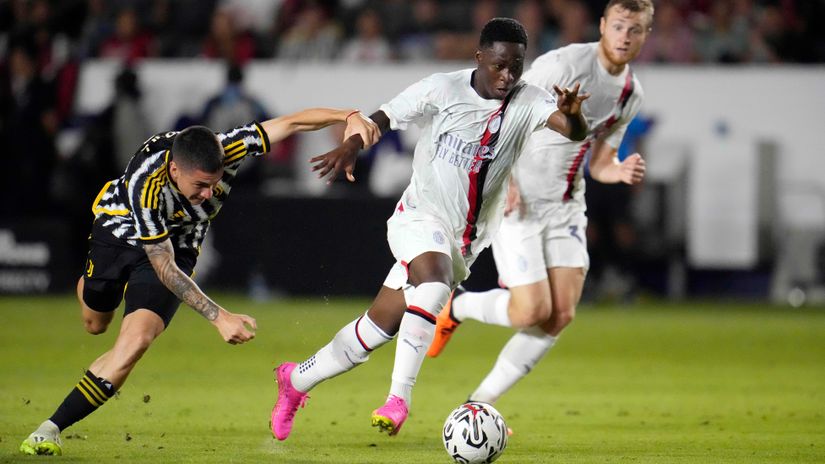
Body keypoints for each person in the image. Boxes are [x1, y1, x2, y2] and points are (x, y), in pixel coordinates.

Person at [270, 17, 589, 441]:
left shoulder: (530, 100)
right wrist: (351, 145)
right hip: (419, 216)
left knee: (376, 329)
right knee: (435, 286)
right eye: (498, 65)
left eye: (515, 65)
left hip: (466, 240)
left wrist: (574, 114)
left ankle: (295, 380)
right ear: (479, 58)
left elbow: (572, 131)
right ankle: (398, 399)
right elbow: (381, 119)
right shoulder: (442, 89)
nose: (507, 75)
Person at [19, 107, 380, 456]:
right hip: (119, 235)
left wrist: (345, 115)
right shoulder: (145, 184)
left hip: (177, 246)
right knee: (95, 324)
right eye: (201, 185)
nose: (209, 193)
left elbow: (291, 122)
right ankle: (92, 285)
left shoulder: (230, 146)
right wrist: (219, 316)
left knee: (136, 341)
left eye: (215, 183)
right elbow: (161, 265)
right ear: (174, 170)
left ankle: (48, 428)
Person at [426, 0, 651, 413]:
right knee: (530, 309)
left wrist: (614, 171)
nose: (624, 36)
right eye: (618, 26)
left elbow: (599, 159)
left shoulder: (629, 94)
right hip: (520, 198)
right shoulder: (563, 65)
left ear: (644, 35)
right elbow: (501, 106)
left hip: (565, 206)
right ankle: (455, 306)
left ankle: (477, 405)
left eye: (634, 30)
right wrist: (503, 175)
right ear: (602, 26)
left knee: (559, 314)